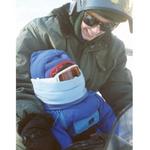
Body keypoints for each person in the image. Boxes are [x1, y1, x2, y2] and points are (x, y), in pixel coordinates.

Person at [16, 0, 133, 149]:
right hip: (43, 123)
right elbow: (17, 83)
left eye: (107, 26)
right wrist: (33, 125)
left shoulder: (114, 49)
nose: (96, 30)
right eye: (90, 20)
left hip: (88, 124)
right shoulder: (40, 32)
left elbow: (121, 92)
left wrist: (132, 121)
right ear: (77, 10)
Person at [29, 49, 117, 150]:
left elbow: (110, 120)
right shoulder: (54, 118)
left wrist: (118, 140)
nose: (72, 79)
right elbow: (64, 145)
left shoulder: (94, 99)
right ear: (46, 84)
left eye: (74, 72)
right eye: (64, 76)